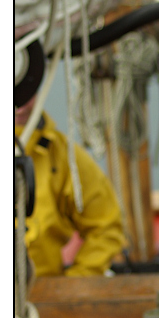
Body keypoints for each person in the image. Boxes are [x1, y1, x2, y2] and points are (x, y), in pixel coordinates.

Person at [15, 98, 125, 277]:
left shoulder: (64, 157)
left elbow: (106, 226)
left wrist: (76, 281)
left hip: (44, 291)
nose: (20, 104)